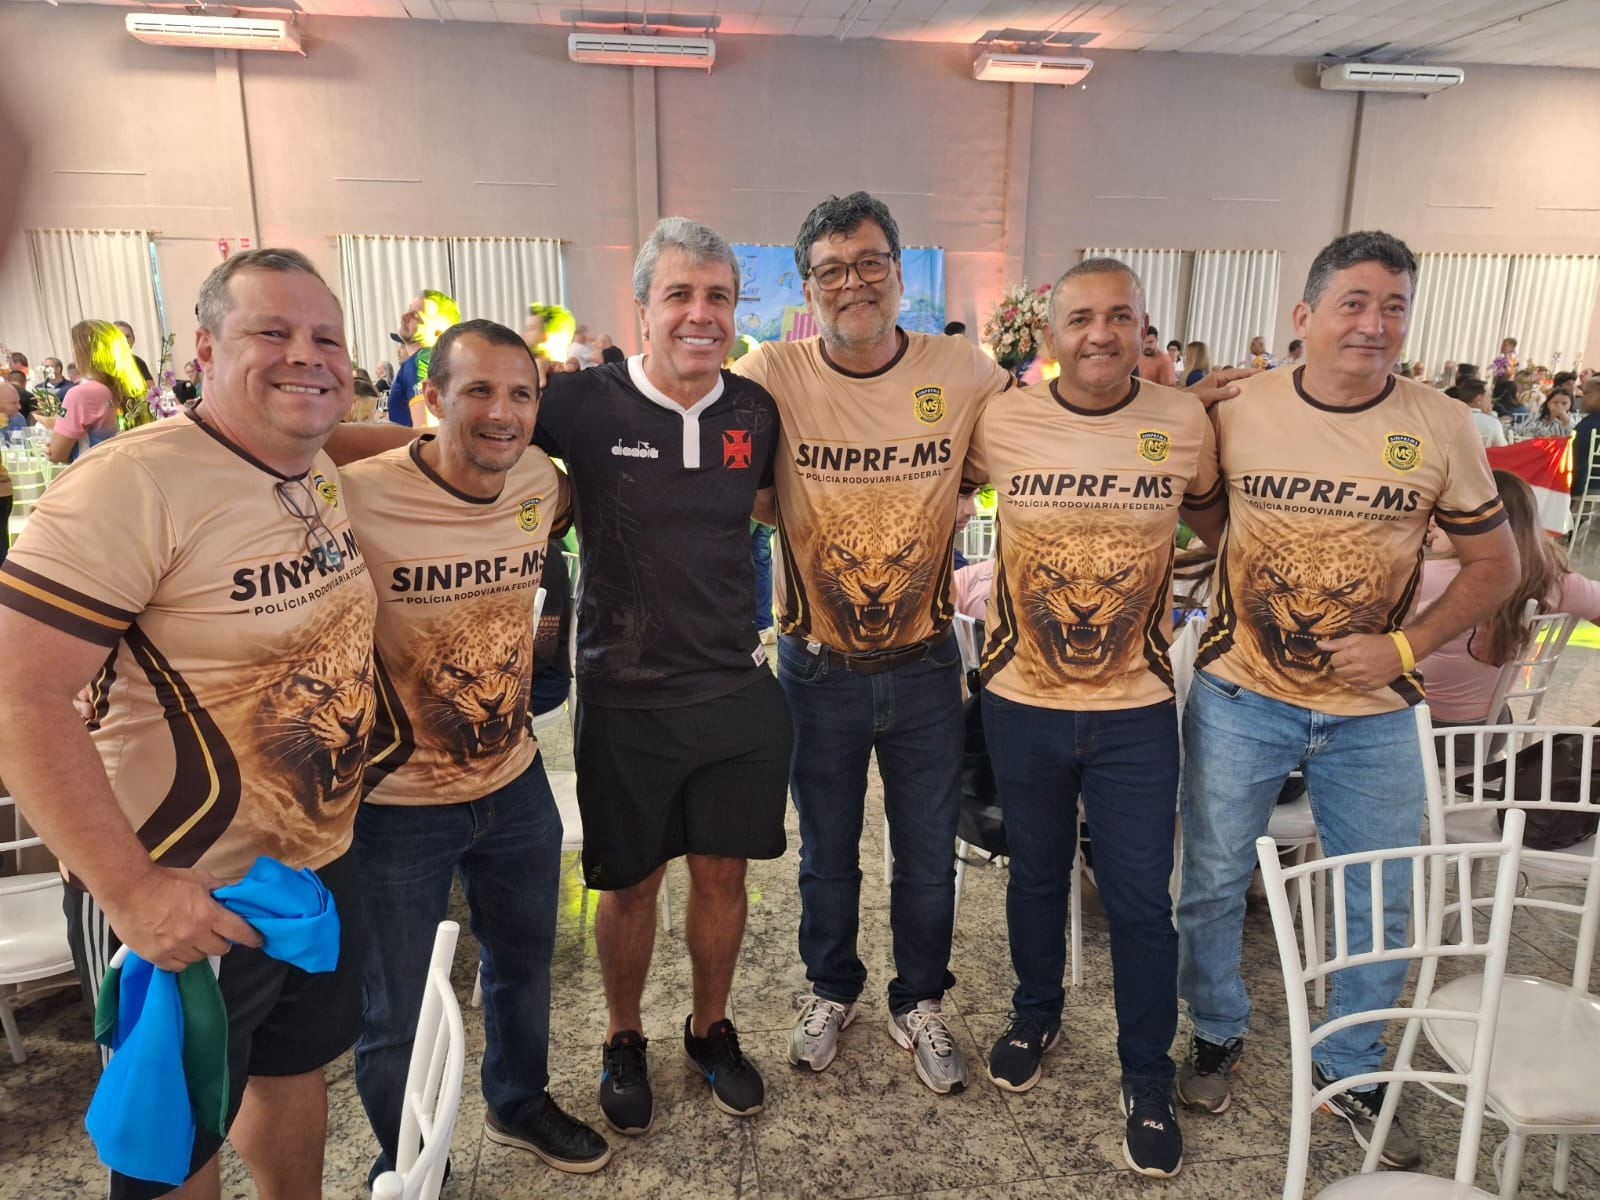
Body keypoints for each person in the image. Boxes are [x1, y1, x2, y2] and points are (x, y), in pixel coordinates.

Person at [0, 247, 377, 1200]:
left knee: (291, 1069)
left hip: (308, 871)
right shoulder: (130, 484)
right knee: (173, 1138)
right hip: (181, 887)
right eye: (272, 332)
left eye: (327, 337)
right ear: (204, 350)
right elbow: (17, 698)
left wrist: (471, 428)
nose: (307, 355)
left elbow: (377, 440)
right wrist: (131, 892)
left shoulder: (312, 466)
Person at [1175, 230, 1518, 1169]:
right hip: (1241, 694)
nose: (1374, 324)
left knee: (1381, 896)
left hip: (1374, 715)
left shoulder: (1441, 424)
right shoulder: (1240, 407)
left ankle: (1354, 1066)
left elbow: (1497, 563)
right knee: (1210, 880)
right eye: (1354, 303)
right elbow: (1206, 516)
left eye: (1394, 306)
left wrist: (1403, 647)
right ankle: (1215, 1030)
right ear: (1305, 315)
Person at [734, 191, 1015, 1095]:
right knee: (826, 850)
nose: (852, 282)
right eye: (831, 270)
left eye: (868, 263)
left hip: (926, 665)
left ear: (897, 271)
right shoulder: (770, 372)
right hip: (815, 668)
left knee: (926, 852)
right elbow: (720, 464)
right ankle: (832, 988)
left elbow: (1030, 444)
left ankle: (920, 999)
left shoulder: (962, 370)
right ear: (806, 287)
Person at [964, 257, 1225, 1177]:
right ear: (1050, 335)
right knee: (1035, 875)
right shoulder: (1001, 420)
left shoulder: (1183, 421)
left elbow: (1225, 527)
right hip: (1022, 700)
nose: (1101, 334)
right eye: (1080, 318)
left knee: (1140, 901)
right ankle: (1035, 1014)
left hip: (1136, 708)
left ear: (1144, 327)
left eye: (1120, 316)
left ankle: (1146, 1075)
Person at [535, 218, 792, 1134]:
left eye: (718, 296)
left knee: (723, 876)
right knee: (630, 884)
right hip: (623, 694)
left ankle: (710, 1028)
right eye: (679, 294)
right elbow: (470, 439)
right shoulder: (579, 404)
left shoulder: (754, 411)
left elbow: (771, 507)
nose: (700, 314)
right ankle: (623, 1036)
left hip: (734, 691)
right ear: (641, 308)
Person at [340, 318, 609, 1179]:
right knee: (394, 1009)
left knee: (523, 965)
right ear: (432, 399)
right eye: (478, 391)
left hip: (514, 780)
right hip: (394, 802)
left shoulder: (539, 482)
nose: (502, 412)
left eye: (521, 394)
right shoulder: (356, 492)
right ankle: (411, 1165)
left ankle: (517, 1102)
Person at [1418, 470, 1600, 726]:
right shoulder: (1554, 580)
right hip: (1493, 729)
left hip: (1424, 732)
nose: (1432, 521)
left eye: (1446, 512)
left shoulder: (1422, 577)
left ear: (1480, 523)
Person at [46, 319, 144, 464]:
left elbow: (56, 454)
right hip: (127, 466)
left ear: (83, 352)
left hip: (93, 470)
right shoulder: (132, 387)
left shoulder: (80, 394)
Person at [386, 289, 459, 426]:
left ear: (439, 332)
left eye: (416, 317)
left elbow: (425, 429)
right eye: (409, 310)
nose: (404, 316)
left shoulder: (421, 361)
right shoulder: (440, 361)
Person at [1457, 378, 1507, 448]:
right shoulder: (1492, 423)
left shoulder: (1448, 418)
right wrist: (1490, 419)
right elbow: (1502, 450)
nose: (1491, 401)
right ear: (1479, 399)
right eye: (1489, 396)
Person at [1573, 375, 1600, 500]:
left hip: (1588, 489)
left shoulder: (1589, 425)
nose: (1583, 399)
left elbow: (1574, 457)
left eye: (1588, 394)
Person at [113, 320, 155, 387]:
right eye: (119, 336)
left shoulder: (139, 362)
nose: (124, 340)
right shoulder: (104, 363)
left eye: (127, 336)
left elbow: (152, 389)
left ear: (133, 339)